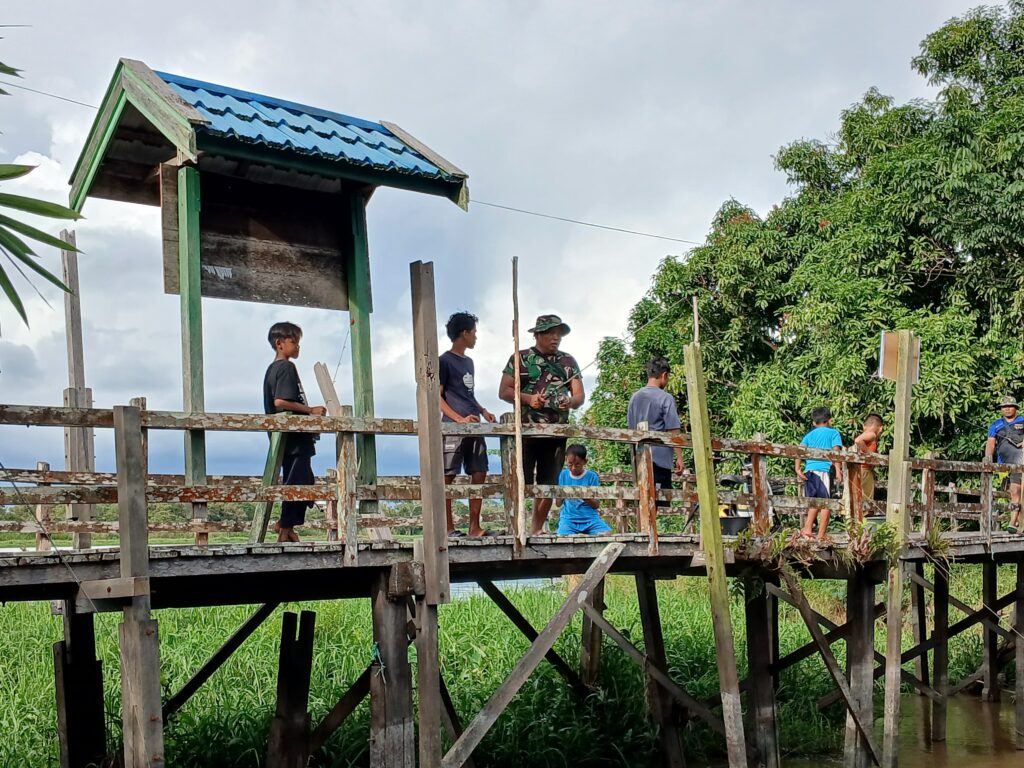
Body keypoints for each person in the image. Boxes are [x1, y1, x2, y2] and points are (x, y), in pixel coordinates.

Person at [498, 314, 584, 535]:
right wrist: (529, 399)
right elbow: (504, 391)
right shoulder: (521, 358)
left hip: (556, 433)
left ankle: (536, 529)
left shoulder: (568, 361)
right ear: (537, 335)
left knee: (549, 484)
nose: (556, 338)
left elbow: (579, 396)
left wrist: (569, 402)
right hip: (526, 432)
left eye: (559, 334)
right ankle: (516, 529)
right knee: (520, 481)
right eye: (550, 333)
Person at [263, 322, 327, 543]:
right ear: (280, 344)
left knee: (304, 479)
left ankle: (287, 527)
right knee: (297, 480)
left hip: (287, 437)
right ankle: (285, 525)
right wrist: (311, 410)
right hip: (293, 437)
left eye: (298, 343)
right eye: (293, 342)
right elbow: (281, 401)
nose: (297, 347)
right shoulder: (285, 368)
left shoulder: (273, 370)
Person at [439, 311, 496, 537]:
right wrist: (458, 419)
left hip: (474, 423)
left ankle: (474, 527)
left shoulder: (469, 362)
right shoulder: (444, 361)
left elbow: (468, 393)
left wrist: (483, 410)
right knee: (448, 476)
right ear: (464, 333)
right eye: (474, 332)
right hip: (454, 427)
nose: (476, 337)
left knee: (479, 472)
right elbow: (437, 397)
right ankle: (448, 528)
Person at [627, 357, 685, 506]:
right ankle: (651, 530)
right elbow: (673, 428)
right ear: (664, 375)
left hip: (639, 458)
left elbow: (630, 429)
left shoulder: (635, 398)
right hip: (659, 459)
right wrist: (679, 457)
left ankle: (644, 529)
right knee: (657, 501)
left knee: (642, 501)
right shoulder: (666, 398)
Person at [795, 406, 843, 540]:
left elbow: (799, 450)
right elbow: (836, 453)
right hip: (823, 471)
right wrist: (838, 471)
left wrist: (798, 468)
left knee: (814, 502)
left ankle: (807, 529)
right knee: (826, 504)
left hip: (809, 471)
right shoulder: (833, 433)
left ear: (814, 423)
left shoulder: (809, 435)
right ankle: (821, 535)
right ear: (830, 421)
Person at [985, 395, 1023, 529]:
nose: (1007, 409)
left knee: (1015, 490)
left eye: (1010, 406)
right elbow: (990, 444)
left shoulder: (1022, 421)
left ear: (1015, 408)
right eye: (1004, 407)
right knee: (1010, 491)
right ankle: (1018, 520)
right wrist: (988, 461)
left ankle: (1013, 522)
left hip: (1019, 462)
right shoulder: (995, 425)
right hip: (1003, 464)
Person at [556, 444, 611, 535]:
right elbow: (558, 504)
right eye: (570, 464)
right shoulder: (563, 475)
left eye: (577, 464)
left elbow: (596, 505)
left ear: (585, 461)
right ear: (566, 460)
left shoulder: (592, 476)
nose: (573, 468)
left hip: (590, 519)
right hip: (569, 520)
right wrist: (563, 494)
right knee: (562, 537)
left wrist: (584, 496)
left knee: (607, 533)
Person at [851, 413, 884, 520]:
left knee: (857, 501)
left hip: (861, 470)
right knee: (865, 504)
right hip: (863, 470)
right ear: (880, 428)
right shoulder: (872, 434)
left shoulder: (867, 435)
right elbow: (857, 440)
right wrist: (870, 453)